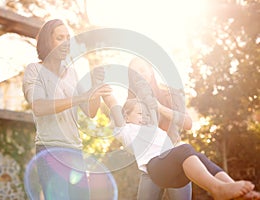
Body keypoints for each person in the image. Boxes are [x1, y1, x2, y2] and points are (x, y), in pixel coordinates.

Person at [102, 93, 260, 200]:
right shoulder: (126, 130)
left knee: (199, 157)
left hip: (172, 167)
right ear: (126, 116)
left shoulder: (156, 131)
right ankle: (217, 189)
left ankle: (232, 187)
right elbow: (112, 104)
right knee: (184, 148)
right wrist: (104, 90)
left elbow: (174, 150)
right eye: (139, 114)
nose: (144, 118)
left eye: (147, 114)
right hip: (155, 167)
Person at [22, 19, 112, 199]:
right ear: (48, 42)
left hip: (75, 152)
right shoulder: (34, 70)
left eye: (68, 38)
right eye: (60, 38)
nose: (66, 43)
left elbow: (90, 112)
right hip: (50, 151)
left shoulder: (72, 73)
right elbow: (39, 106)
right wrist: (80, 97)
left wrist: (95, 87)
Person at [128, 57, 193, 199]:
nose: (139, 74)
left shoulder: (170, 93)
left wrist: (160, 107)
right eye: (134, 72)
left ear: (151, 71)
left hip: (175, 161)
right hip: (151, 166)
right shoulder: (132, 105)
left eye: (142, 70)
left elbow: (188, 123)